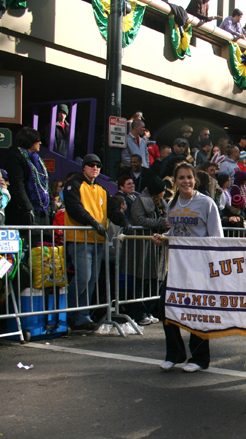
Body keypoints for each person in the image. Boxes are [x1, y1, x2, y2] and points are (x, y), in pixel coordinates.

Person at [153, 162, 224, 372]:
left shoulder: (206, 203)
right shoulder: (172, 204)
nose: (186, 181)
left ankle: (200, 358)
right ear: (175, 181)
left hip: (199, 267)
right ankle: (175, 354)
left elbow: (216, 238)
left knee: (198, 312)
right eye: (181, 177)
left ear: (195, 179)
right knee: (165, 309)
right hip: (176, 266)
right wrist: (164, 238)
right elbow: (176, 233)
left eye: (189, 177)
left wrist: (213, 267)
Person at [64, 154, 129, 330]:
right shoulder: (74, 184)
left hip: (98, 240)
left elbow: (112, 210)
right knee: (83, 278)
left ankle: (82, 316)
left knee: (91, 279)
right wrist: (92, 222)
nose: (95, 168)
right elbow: (74, 208)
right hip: (79, 239)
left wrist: (124, 221)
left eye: (98, 165)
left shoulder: (101, 189)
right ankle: (68, 315)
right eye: (91, 165)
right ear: (83, 167)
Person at [125, 174, 168, 326]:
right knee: (140, 279)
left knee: (155, 279)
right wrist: (161, 222)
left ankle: (150, 310)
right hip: (142, 247)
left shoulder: (162, 202)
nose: (164, 193)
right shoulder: (140, 201)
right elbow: (139, 220)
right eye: (162, 190)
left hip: (157, 246)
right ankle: (139, 312)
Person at [3, 127, 51, 228]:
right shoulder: (15, 157)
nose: (40, 143)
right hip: (23, 211)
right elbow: (18, 184)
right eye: (37, 140)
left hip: (41, 211)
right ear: (30, 141)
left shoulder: (38, 160)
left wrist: (51, 207)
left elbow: (45, 184)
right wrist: (28, 208)